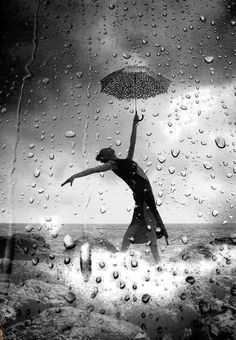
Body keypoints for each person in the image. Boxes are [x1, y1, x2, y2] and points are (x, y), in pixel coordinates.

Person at [61, 111, 169, 263]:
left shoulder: (126, 160)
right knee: (147, 227)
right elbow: (93, 170)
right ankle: (150, 261)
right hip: (143, 195)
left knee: (141, 227)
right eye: (106, 150)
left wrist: (134, 124)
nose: (109, 148)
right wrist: (75, 176)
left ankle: (127, 257)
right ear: (107, 156)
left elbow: (133, 143)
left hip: (143, 195)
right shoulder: (112, 165)